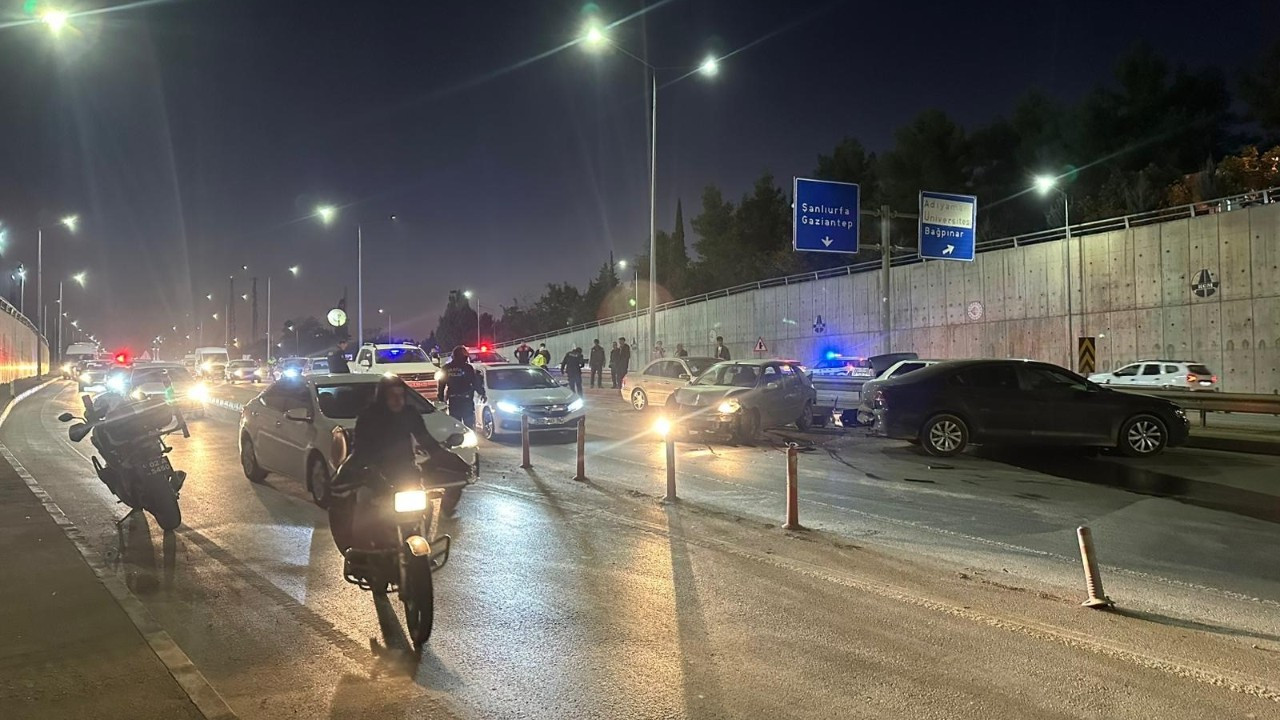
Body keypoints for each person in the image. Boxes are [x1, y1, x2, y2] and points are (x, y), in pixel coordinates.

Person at [437, 345, 487, 429]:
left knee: (456, 426)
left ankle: (458, 440)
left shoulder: (446, 368)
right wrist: (482, 393)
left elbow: (441, 384)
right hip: (466, 400)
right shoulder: (468, 368)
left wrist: (441, 398)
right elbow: (475, 382)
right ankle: (470, 440)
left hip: (453, 401)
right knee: (469, 426)